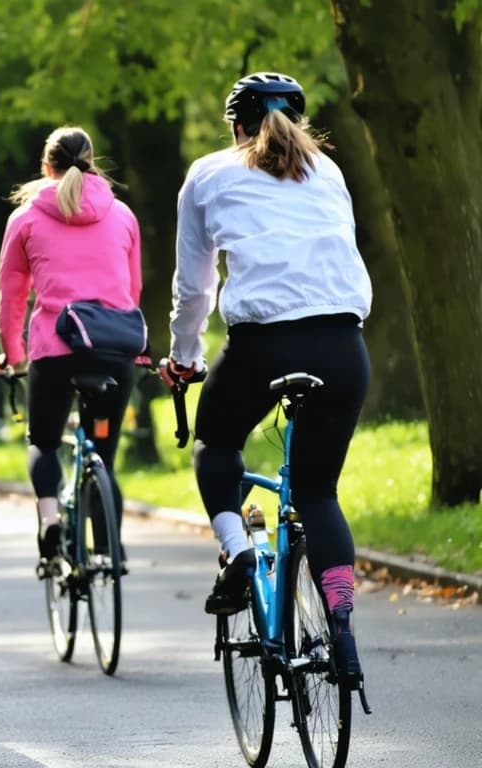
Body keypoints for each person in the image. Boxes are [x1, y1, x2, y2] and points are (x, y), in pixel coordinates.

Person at [161, 72, 372, 681]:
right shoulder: (329, 172)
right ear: (299, 122)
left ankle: (240, 553)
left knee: (216, 445)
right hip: (342, 344)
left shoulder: (206, 173)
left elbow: (194, 286)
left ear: (236, 126)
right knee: (319, 493)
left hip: (263, 346)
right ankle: (343, 631)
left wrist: (185, 355)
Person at [0, 126, 142, 562]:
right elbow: (131, 292)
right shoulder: (123, 215)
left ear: (46, 167)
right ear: (92, 162)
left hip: (55, 351)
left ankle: (51, 521)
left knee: (44, 442)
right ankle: (108, 549)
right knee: (105, 454)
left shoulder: (25, 218)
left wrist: (13, 355)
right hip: (114, 351)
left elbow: (12, 296)